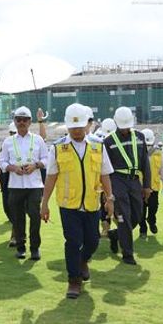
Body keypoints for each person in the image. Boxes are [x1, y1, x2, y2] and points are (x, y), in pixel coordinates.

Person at [41, 103, 115, 299]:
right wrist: (44, 202)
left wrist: (110, 198)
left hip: (92, 202)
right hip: (68, 205)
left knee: (92, 241)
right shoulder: (58, 148)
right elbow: (51, 176)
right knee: (73, 241)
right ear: (67, 126)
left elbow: (105, 174)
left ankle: (83, 261)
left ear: (87, 125)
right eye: (72, 128)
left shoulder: (98, 146)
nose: (76, 131)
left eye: (79, 127)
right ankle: (74, 281)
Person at [0, 106, 49, 260]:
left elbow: (47, 159)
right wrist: (12, 168)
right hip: (16, 184)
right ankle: (20, 246)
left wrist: (36, 165)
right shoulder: (8, 141)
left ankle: (34, 248)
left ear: (30, 121)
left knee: (34, 216)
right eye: (18, 119)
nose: (21, 122)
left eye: (25, 119)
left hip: (34, 185)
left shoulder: (38, 140)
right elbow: (1, 161)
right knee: (17, 218)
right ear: (15, 121)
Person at [104, 106, 151, 265]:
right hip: (117, 181)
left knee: (137, 217)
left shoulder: (140, 137)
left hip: (134, 181)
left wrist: (147, 185)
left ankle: (116, 235)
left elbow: (145, 162)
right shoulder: (108, 141)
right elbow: (105, 169)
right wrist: (108, 192)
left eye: (127, 126)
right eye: (122, 126)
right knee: (123, 217)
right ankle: (128, 254)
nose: (125, 129)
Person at [139, 129, 163, 236]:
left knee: (153, 206)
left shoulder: (158, 152)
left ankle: (151, 221)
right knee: (141, 209)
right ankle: (143, 228)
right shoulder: (137, 152)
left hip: (154, 186)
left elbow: (162, 169)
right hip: (140, 186)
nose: (148, 147)